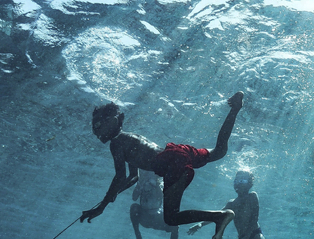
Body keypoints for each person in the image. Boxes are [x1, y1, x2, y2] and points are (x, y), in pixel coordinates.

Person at [79, 92, 245, 230]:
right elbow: (133, 177)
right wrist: (113, 194)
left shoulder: (116, 144)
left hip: (171, 163)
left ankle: (219, 216)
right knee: (219, 151)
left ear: (112, 121)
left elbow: (119, 177)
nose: (95, 131)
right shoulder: (127, 138)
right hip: (177, 152)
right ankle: (235, 109)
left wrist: (101, 207)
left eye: (98, 125)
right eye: (95, 127)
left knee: (171, 219)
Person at [129, 169, 179, 239]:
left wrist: (156, 185)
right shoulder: (142, 183)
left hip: (157, 217)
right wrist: (140, 186)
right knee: (134, 207)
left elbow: (163, 198)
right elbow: (134, 197)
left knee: (175, 226)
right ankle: (137, 232)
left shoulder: (161, 184)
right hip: (145, 217)